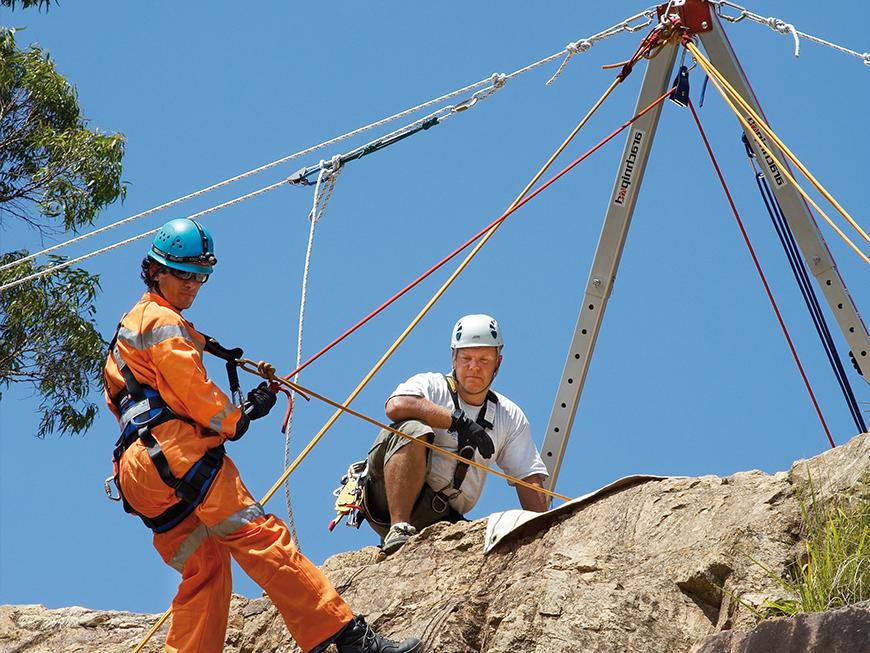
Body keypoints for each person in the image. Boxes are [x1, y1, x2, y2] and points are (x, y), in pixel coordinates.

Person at [103, 218, 423, 653]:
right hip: (173, 453)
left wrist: (237, 411)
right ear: (156, 269)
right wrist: (238, 417)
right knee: (261, 536)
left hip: (138, 474)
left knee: (207, 569)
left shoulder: (134, 325)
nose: (193, 285)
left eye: (201, 276)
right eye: (184, 274)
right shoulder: (162, 321)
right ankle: (347, 639)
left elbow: (140, 400)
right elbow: (195, 394)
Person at [363, 314, 549, 555]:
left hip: (442, 517)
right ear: (453, 357)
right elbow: (395, 406)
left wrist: (546, 532)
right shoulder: (431, 386)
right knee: (412, 429)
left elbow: (528, 477)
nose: (474, 366)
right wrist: (457, 422)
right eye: (466, 358)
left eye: (484, 359)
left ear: (498, 363)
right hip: (386, 501)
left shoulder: (508, 416)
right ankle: (399, 529)